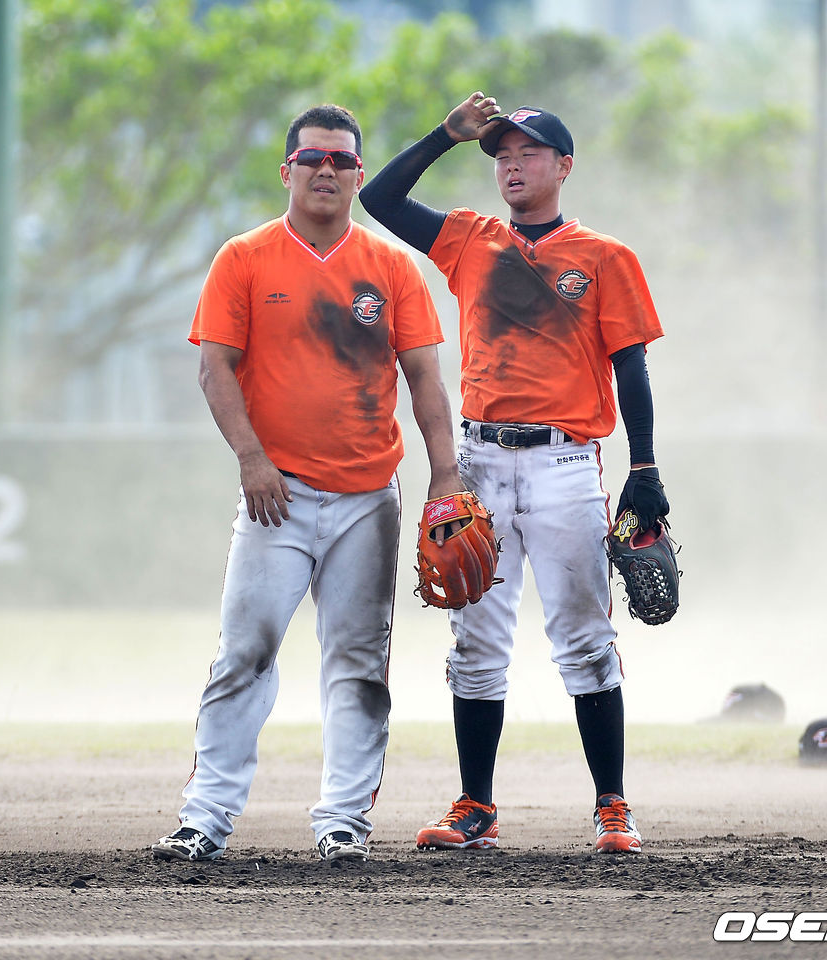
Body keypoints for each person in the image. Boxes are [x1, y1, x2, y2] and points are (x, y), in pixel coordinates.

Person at [359, 92, 669, 854]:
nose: (511, 163)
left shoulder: (604, 257)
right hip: (483, 460)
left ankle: (612, 806)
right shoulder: (470, 240)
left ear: (564, 166)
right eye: (500, 153)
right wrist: (445, 133)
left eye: (528, 151)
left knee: (584, 637)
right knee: (476, 638)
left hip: (566, 460)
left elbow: (631, 367)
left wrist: (647, 467)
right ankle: (477, 807)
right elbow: (379, 198)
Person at [152, 104, 462, 863]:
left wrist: (445, 477)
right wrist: (252, 461)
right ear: (286, 170)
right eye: (314, 158)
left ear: (359, 175)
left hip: (368, 497)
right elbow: (213, 366)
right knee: (244, 653)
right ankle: (206, 819)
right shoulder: (246, 257)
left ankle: (343, 823)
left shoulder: (391, 267)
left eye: (343, 162)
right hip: (276, 495)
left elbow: (424, 377)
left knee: (359, 662)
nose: (328, 171)